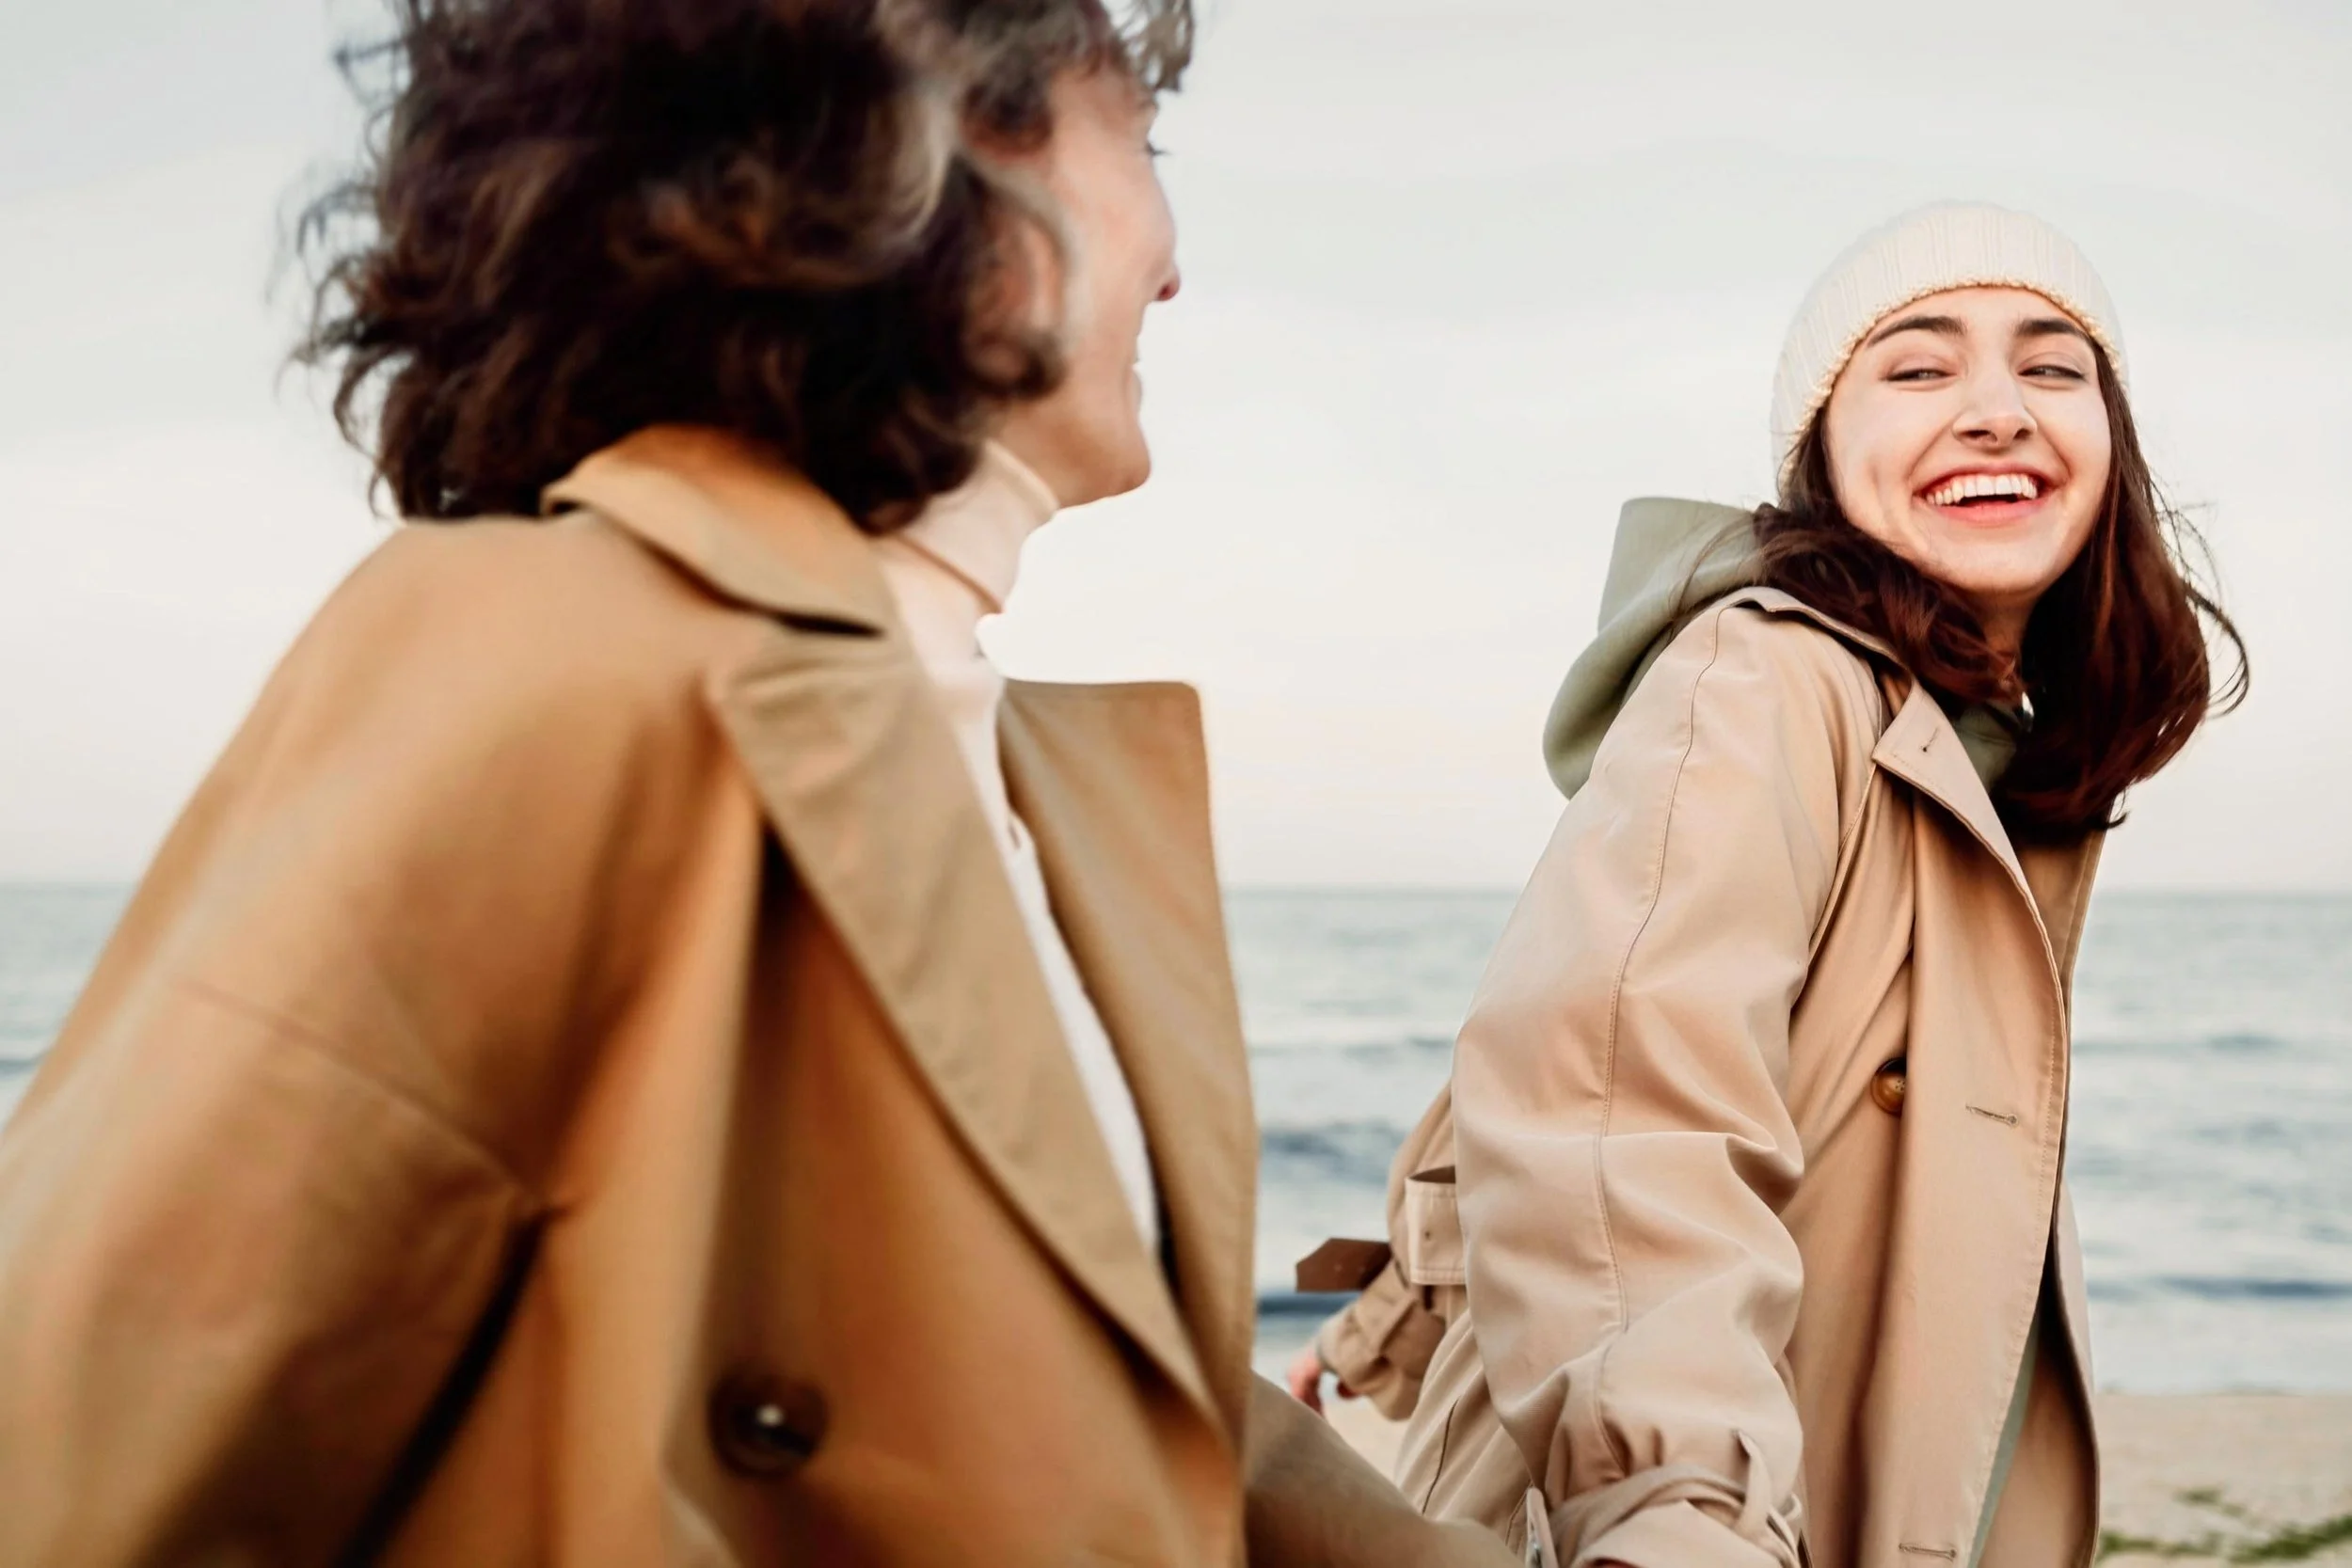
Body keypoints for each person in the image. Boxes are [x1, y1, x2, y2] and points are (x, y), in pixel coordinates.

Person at [0, 3, 1517, 1563]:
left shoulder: (1019, 759)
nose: (1178, 259)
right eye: (1142, 143)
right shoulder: (535, 650)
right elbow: (82, 1444)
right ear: (927, 143)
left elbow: (1123, 1418)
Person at [1288, 203, 2245, 1568]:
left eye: (2052, 366)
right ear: (1820, 455)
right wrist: (1682, 1509)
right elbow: (1623, 1108)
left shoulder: (1973, 754)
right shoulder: (1767, 675)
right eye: (1917, 369)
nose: (1997, 411)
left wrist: (1372, 1327)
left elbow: (1555, 1058)